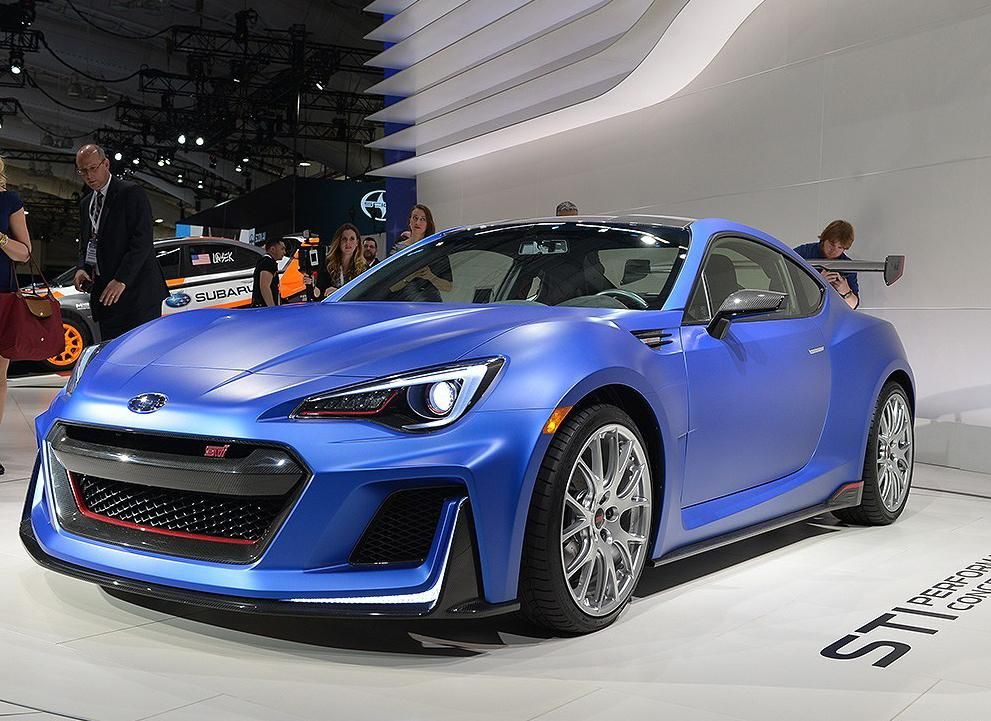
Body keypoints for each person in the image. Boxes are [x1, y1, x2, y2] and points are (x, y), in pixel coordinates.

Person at [72, 144, 168, 340]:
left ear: (106, 164)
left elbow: (142, 241)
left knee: (141, 350)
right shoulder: (86, 203)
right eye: (83, 171)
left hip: (137, 294)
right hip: (105, 296)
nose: (89, 175)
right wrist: (82, 267)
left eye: (93, 168)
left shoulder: (131, 193)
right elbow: (87, 243)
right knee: (112, 349)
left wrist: (122, 279)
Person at [0, 157, 32, 477]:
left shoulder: (9, 200)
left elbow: (25, 253)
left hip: (2, 298)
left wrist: (0, 238)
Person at [794, 220, 860, 309]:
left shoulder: (847, 266)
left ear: (845, 248)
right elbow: (785, 284)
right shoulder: (804, 253)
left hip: (832, 311)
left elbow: (853, 306)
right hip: (802, 308)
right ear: (824, 239)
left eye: (840, 247)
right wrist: (818, 281)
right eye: (832, 244)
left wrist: (846, 291)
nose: (834, 250)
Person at [307, 223, 366, 299]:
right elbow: (319, 294)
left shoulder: (364, 268)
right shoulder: (327, 264)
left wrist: (338, 292)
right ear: (339, 242)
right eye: (344, 239)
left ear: (357, 242)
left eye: (352, 239)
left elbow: (365, 294)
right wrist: (312, 285)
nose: (348, 242)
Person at [251, 238, 286, 307]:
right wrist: (272, 308)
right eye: (282, 249)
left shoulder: (265, 261)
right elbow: (264, 287)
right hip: (264, 308)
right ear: (272, 249)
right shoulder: (268, 263)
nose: (284, 252)